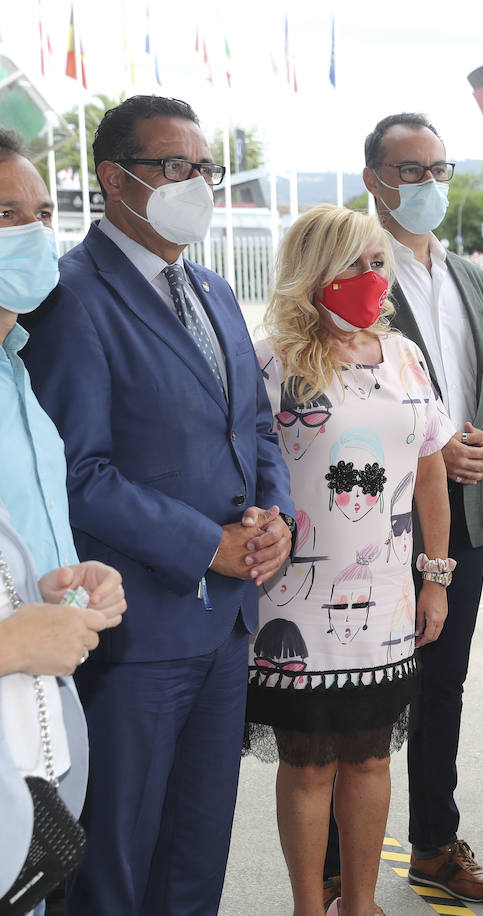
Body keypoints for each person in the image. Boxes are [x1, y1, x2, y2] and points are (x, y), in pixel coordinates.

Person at [22, 95, 295, 916]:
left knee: (198, 848)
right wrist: (200, 544)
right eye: (175, 167)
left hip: (224, 628)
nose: (198, 184)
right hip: (137, 634)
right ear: (115, 179)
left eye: (203, 168)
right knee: (115, 861)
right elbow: (78, 471)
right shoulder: (71, 297)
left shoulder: (211, 288)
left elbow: (252, 422)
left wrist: (273, 516)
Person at [247, 204, 455, 916]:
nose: (373, 279)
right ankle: (312, 906)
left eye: (378, 264)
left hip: (388, 599)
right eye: (354, 264)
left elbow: (431, 469)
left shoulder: (403, 356)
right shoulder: (269, 358)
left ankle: (360, 905)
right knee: (308, 764)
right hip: (295, 601)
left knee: (370, 756)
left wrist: (437, 577)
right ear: (313, 271)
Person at [338, 111, 483, 907]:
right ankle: (341, 870)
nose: (428, 184)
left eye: (439, 169)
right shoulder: (348, 270)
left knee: (442, 691)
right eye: (410, 171)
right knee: (360, 704)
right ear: (373, 179)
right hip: (369, 526)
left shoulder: (470, 275)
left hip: (461, 522)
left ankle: (435, 845)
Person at [0, 129, 125, 916]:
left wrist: (67, 585)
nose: (35, 232)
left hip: (34, 731)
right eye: (5, 212)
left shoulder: (18, 366)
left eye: (43, 211)